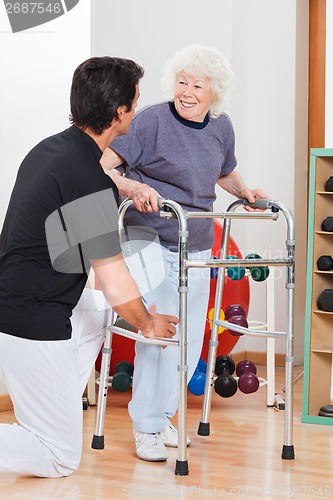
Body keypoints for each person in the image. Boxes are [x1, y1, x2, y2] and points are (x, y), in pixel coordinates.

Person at [0, 56, 178, 478]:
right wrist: (148, 323)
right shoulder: (85, 176)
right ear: (119, 112)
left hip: (19, 300)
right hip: (30, 318)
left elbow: (70, 249)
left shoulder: (51, 150)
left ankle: (54, 404)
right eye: (135, 102)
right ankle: (47, 430)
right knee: (60, 458)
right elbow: (115, 279)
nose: (137, 108)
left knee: (97, 311)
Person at [101, 44, 269, 463]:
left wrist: (244, 191)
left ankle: (163, 416)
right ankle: (147, 428)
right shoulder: (152, 120)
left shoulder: (220, 126)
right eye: (181, 81)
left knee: (189, 334)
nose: (187, 91)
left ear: (216, 92)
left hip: (195, 241)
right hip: (148, 235)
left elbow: (224, 172)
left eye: (198, 84)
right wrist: (134, 187)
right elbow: (105, 163)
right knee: (157, 330)